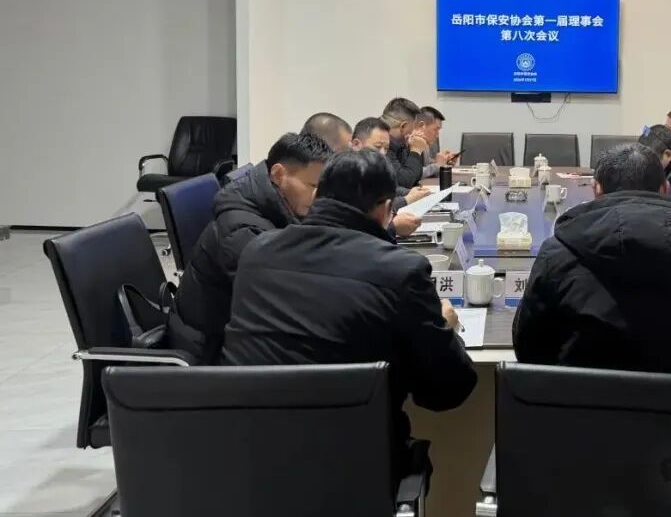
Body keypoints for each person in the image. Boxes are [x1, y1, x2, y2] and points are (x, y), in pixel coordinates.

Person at [221, 149, 477, 469]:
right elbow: (446, 392)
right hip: (354, 467)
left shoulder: (257, 252)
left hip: (247, 458)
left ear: (319, 195)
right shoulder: (401, 272)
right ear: (385, 209)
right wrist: (446, 328)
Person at [513, 144, 671, 377]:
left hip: (581, 401)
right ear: (665, 188)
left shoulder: (557, 255)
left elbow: (529, 350)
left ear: (596, 189)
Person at [173, 132, 334, 362]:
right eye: (312, 186)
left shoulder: (277, 209)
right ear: (278, 174)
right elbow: (284, 303)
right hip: (210, 352)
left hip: (239, 336)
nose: (318, 198)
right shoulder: (242, 233)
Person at [351, 116, 426, 238]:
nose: (382, 153)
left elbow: (389, 189)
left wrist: (410, 192)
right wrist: (407, 200)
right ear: (356, 144)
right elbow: (368, 211)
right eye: (377, 147)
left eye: (386, 148)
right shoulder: (347, 172)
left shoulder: (372, 169)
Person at [381, 97, 428, 188]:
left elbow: (416, 176)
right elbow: (404, 181)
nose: (414, 131)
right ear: (403, 126)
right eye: (413, 127)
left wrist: (411, 149)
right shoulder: (382, 143)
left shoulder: (399, 142)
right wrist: (416, 151)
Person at [414, 106, 458, 178]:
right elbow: (412, 174)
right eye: (436, 129)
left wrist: (445, 162)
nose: (437, 135)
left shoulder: (424, 143)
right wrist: (437, 165)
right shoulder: (409, 143)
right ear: (421, 125)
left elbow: (426, 165)